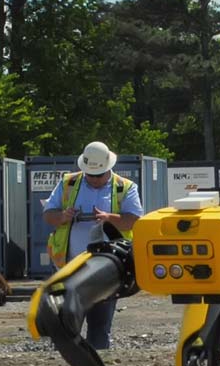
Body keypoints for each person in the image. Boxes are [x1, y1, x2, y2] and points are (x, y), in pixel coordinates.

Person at [42, 141, 144, 350]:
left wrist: (109, 217)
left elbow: (134, 220)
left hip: (107, 269)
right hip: (71, 266)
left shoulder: (125, 187)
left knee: (99, 324)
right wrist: (63, 216)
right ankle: (68, 362)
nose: (95, 179)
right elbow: (48, 216)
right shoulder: (68, 184)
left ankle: (98, 360)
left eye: (99, 175)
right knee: (67, 322)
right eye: (90, 175)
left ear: (109, 168)